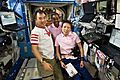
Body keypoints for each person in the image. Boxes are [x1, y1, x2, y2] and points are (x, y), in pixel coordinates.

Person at [30, 9, 64, 80]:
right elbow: (34, 49)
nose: (43, 20)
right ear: (35, 19)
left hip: (52, 59)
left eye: (44, 18)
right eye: (40, 18)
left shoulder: (45, 28)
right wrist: (43, 62)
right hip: (45, 60)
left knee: (60, 77)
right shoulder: (35, 32)